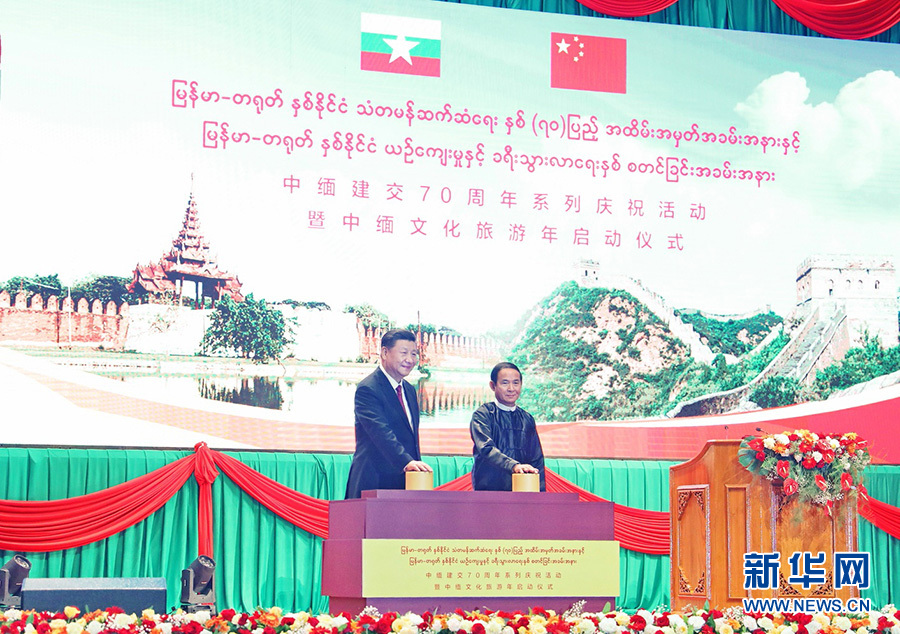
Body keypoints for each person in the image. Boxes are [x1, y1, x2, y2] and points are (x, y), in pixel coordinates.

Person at [345, 328, 432, 499]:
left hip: (406, 482)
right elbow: (380, 433)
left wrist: (413, 467)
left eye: (414, 354)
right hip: (374, 482)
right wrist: (406, 462)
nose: (410, 360)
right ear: (385, 353)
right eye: (404, 353)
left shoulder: (409, 390)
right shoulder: (368, 388)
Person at [470, 361, 545, 491]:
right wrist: (514, 466)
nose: (511, 388)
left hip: (522, 489)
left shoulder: (527, 419)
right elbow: (486, 449)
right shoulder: (483, 414)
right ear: (493, 385)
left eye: (516, 383)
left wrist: (540, 493)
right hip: (489, 490)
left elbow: (536, 459)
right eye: (505, 383)